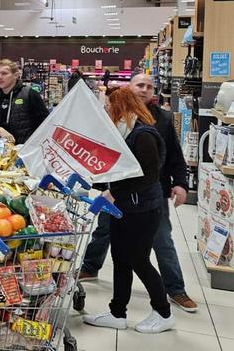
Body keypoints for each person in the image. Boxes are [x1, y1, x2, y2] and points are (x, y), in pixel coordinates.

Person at [80, 73, 197, 312]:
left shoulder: (158, 121)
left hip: (148, 196)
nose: (144, 89)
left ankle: (175, 289)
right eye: (139, 85)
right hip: (119, 192)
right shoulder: (118, 120)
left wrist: (181, 183)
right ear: (129, 90)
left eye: (149, 86)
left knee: (159, 242)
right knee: (106, 233)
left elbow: (171, 157)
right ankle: (91, 268)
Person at [83, 88, 175, 334]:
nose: (106, 110)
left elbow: (148, 176)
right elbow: (121, 172)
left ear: (120, 106)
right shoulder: (125, 132)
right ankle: (117, 313)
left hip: (143, 210)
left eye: (108, 106)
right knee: (120, 258)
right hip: (125, 208)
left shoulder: (143, 134)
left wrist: (114, 193)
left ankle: (164, 312)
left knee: (138, 260)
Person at [0, 59, 49, 144]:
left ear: (16, 75)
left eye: (4, 73)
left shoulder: (29, 94)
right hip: (0, 152)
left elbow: (45, 122)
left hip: (24, 152)